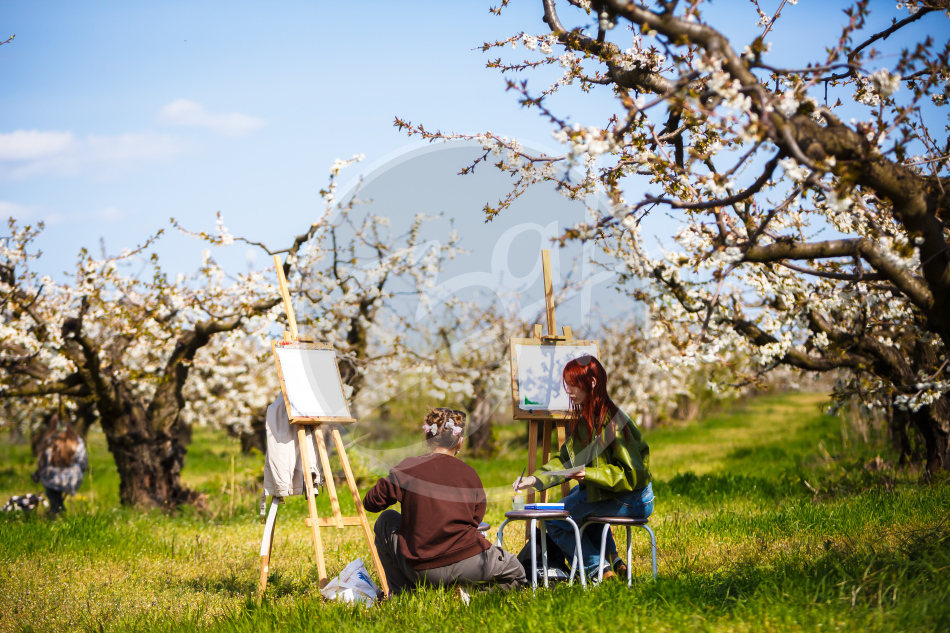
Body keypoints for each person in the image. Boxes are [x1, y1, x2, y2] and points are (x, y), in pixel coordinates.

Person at [513, 355, 654, 581]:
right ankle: (614, 561)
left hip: (633, 500)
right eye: (566, 383)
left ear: (593, 383)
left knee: (553, 518)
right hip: (616, 497)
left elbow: (633, 475)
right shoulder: (587, 419)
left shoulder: (614, 422)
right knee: (581, 496)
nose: (568, 390)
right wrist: (534, 480)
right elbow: (566, 461)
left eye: (573, 384)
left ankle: (597, 569)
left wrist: (589, 474)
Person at [364, 408, 527, 596]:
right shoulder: (469, 474)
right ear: (460, 442)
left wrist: (395, 476)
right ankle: (471, 595)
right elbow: (476, 519)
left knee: (387, 519)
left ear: (427, 438)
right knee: (516, 573)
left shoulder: (409, 467)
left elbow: (371, 502)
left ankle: (404, 594)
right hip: (469, 563)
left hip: (420, 568)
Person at [32, 424, 88, 516]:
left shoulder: (51, 440)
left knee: (52, 492)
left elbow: (42, 461)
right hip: (72, 478)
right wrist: (80, 472)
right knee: (57, 497)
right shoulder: (77, 440)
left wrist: (38, 473)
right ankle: (58, 510)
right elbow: (83, 460)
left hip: (53, 478)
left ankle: (56, 511)